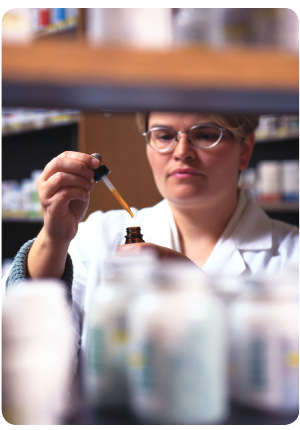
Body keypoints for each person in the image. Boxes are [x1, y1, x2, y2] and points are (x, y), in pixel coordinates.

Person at [5, 111, 299, 348]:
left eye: (206, 134)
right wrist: (54, 239)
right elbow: (32, 345)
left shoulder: (291, 255)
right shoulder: (98, 235)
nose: (181, 151)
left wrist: (202, 295)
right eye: (164, 135)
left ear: (245, 149)